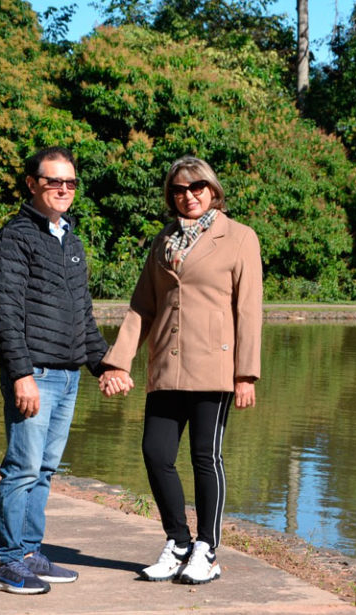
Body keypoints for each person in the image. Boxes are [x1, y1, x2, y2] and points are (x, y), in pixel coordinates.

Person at [98, 155, 262, 585]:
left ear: (213, 191)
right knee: (156, 454)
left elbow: (249, 311)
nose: (188, 196)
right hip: (166, 366)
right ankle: (179, 542)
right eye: (178, 190)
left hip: (215, 368)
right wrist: (118, 361)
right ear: (170, 195)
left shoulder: (240, 238)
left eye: (196, 188)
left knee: (205, 457)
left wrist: (246, 374)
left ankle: (207, 550)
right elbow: (142, 307)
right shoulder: (163, 242)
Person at [0, 146, 110, 594]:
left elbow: (83, 318)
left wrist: (104, 365)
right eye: (54, 181)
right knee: (21, 469)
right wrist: (21, 375)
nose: (63, 189)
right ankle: (5, 561)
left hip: (67, 374)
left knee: (45, 470)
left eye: (70, 182)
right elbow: (6, 315)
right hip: (34, 372)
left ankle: (29, 553)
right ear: (32, 184)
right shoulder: (14, 238)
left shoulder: (68, 239)